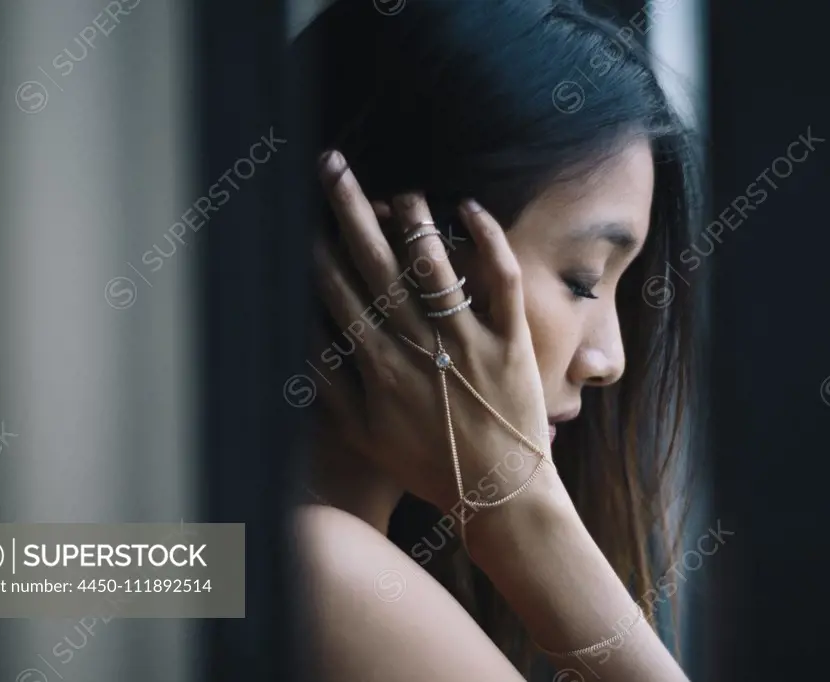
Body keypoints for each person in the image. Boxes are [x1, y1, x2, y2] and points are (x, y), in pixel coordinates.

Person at [289, 1, 700, 680]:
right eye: (583, 279)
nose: (608, 361)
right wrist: (522, 520)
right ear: (403, 249)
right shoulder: (324, 569)